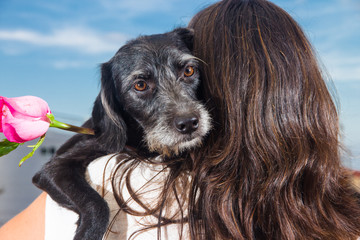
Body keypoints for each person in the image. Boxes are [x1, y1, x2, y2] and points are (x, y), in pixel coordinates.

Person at [1, 0, 360, 239]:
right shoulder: (338, 206)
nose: (184, 112)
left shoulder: (107, 178)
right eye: (141, 85)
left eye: (189, 71)